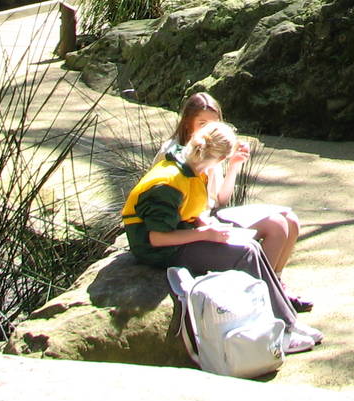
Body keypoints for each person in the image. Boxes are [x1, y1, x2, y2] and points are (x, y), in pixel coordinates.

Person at [121, 119, 322, 355]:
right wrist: (204, 234)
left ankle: (287, 322)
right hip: (159, 250)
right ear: (213, 157)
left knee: (251, 247)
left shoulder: (193, 167)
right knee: (244, 254)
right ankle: (280, 331)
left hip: (182, 233)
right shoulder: (168, 183)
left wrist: (205, 224)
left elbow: (190, 210)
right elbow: (157, 238)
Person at [169, 92, 312, 312]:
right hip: (197, 222)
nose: (209, 129)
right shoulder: (178, 153)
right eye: (203, 123)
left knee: (290, 220)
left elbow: (220, 199)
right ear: (188, 123)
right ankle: (264, 299)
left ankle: (276, 285)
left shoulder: (210, 148)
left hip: (212, 215)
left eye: (214, 124)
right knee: (277, 226)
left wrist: (234, 165)